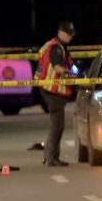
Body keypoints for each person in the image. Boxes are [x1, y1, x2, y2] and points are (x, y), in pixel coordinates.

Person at [35, 21, 77, 166]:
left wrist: (76, 72)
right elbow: (58, 67)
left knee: (56, 124)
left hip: (48, 88)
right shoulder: (56, 48)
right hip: (52, 90)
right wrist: (70, 73)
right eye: (69, 34)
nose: (71, 37)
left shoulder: (57, 45)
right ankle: (51, 158)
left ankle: (49, 157)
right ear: (62, 32)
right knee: (57, 125)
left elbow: (69, 64)